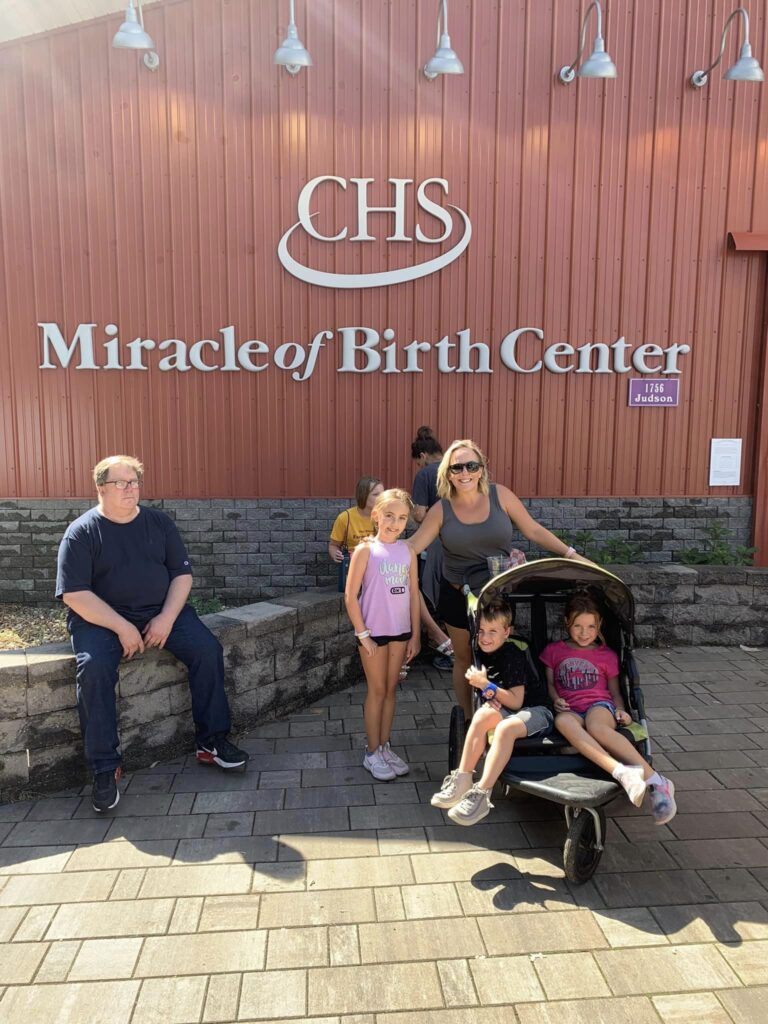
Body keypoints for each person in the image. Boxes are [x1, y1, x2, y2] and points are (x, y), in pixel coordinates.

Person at [56, 455, 248, 814]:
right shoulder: (82, 532)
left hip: (160, 611)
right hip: (100, 621)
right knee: (94, 669)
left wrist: (166, 619)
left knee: (207, 650)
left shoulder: (159, 523)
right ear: (100, 488)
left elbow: (182, 575)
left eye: (134, 482)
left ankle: (211, 743)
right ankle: (104, 767)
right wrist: (121, 627)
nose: (130, 489)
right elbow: (75, 594)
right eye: (120, 483)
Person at [407, 438, 588, 719]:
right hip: (458, 596)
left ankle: (503, 713)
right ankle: (469, 719)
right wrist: (377, 548)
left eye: (471, 466)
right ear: (448, 473)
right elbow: (413, 546)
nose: (465, 473)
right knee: (465, 659)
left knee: (501, 654)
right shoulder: (441, 509)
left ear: (481, 469)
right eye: (457, 467)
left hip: (498, 595)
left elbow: (533, 530)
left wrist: (571, 554)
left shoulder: (500, 495)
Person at [542, 593, 676, 825]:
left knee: (596, 726)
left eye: (591, 627)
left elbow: (615, 692)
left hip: (599, 705)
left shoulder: (607, 655)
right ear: (566, 623)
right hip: (570, 707)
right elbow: (551, 684)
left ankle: (656, 781)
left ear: (600, 625)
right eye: (578, 626)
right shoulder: (554, 651)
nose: (584, 633)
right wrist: (555, 699)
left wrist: (621, 710)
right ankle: (622, 772)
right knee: (562, 721)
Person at [431, 596, 553, 826]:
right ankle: (463, 779)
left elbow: (516, 701)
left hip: (536, 711)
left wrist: (486, 686)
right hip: (510, 709)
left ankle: (482, 795)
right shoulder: (482, 653)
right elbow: (497, 696)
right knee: (481, 716)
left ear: (507, 632)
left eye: (493, 632)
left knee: (504, 728)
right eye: (482, 631)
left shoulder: (512, 654)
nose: (485, 638)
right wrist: (488, 692)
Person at [344, 488, 420, 781]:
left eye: (401, 518)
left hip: (400, 633)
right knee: (376, 691)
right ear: (376, 515)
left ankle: (385, 747)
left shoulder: (407, 551)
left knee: (390, 691)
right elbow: (350, 596)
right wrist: (363, 634)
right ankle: (371, 752)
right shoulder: (365, 550)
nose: (395, 523)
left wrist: (415, 635)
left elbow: (413, 594)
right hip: (373, 635)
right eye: (389, 515)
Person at [410, 426, 453, 670]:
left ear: (423, 456)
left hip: (437, 546)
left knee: (432, 595)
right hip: (466, 545)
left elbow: (419, 514)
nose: (419, 466)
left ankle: (445, 649)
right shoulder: (459, 469)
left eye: (418, 462)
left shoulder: (425, 474)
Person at [328, 476, 384, 590]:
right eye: (375, 494)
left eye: (382, 494)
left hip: (380, 570)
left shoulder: (386, 516)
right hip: (353, 569)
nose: (381, 498)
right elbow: (333, 545)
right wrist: (335, 554)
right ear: (363, 495)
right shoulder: (345, 518)